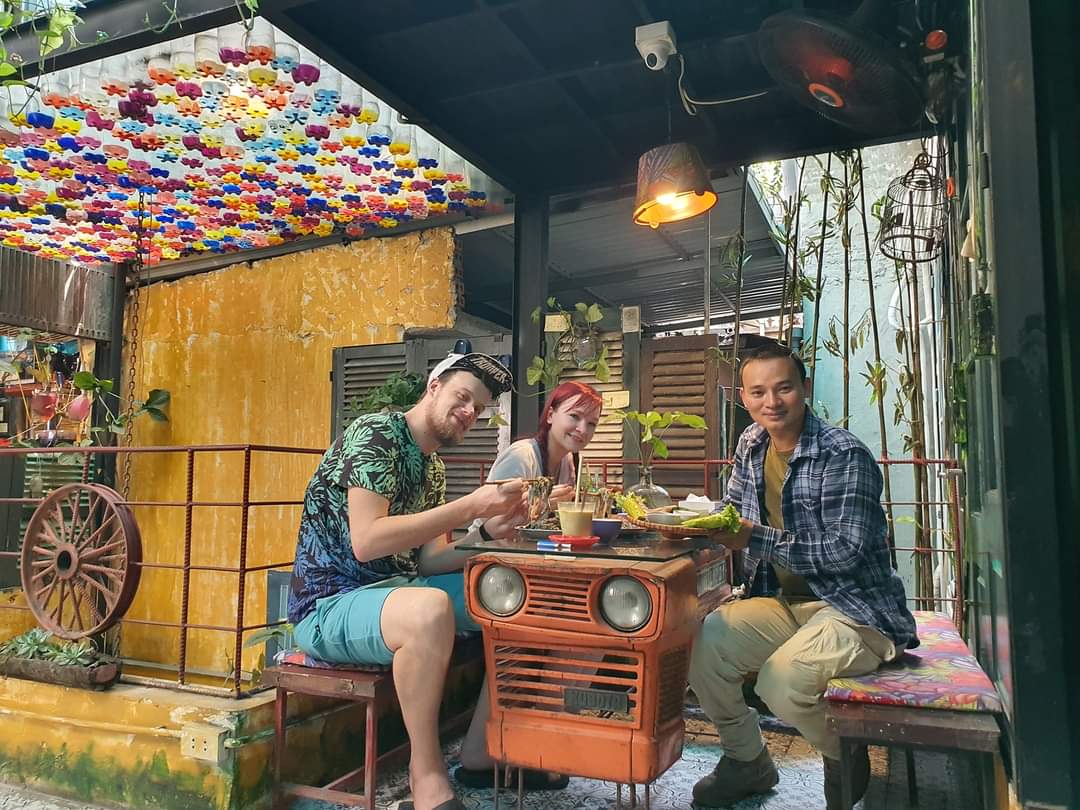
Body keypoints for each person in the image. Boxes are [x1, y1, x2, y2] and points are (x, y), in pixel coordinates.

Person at [287, 351, 529, 810]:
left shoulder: (432, 466)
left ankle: (482, 749)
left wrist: (487, 535)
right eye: (463, 397)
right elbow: (367, 542)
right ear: (433, 386)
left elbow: (429, 561)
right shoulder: (377, 434)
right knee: (429, 610)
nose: (470, 413)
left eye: (479, 408)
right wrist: (470, 507)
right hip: (330, 604)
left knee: (513, 598)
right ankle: (426, 775)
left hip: (397, 591)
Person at [687, 341, 917, 810]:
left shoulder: (844, 454)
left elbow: (846, 551)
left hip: (855, 609)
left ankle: (841, 753)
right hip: (785, 604)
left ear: (804, 388)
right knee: (701, 646)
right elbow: (733, 511)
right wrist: (685, 522)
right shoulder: (751, 443)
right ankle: (747, 760)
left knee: (781, 682)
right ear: (744, 398)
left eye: (784, 388)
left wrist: (754, 537)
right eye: (758, 392)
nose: (771, 402)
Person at [453, 380, 603, 789]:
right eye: (575, 417)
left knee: (587, 622)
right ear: (550, 414)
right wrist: (545, 505)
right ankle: (483, 754)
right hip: (489, 574)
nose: (582, 429)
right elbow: (492, 527)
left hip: (523, 575)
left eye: (591, 423)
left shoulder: (567, 462)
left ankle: (538, 740)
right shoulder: (522, 456)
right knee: (546, 624)